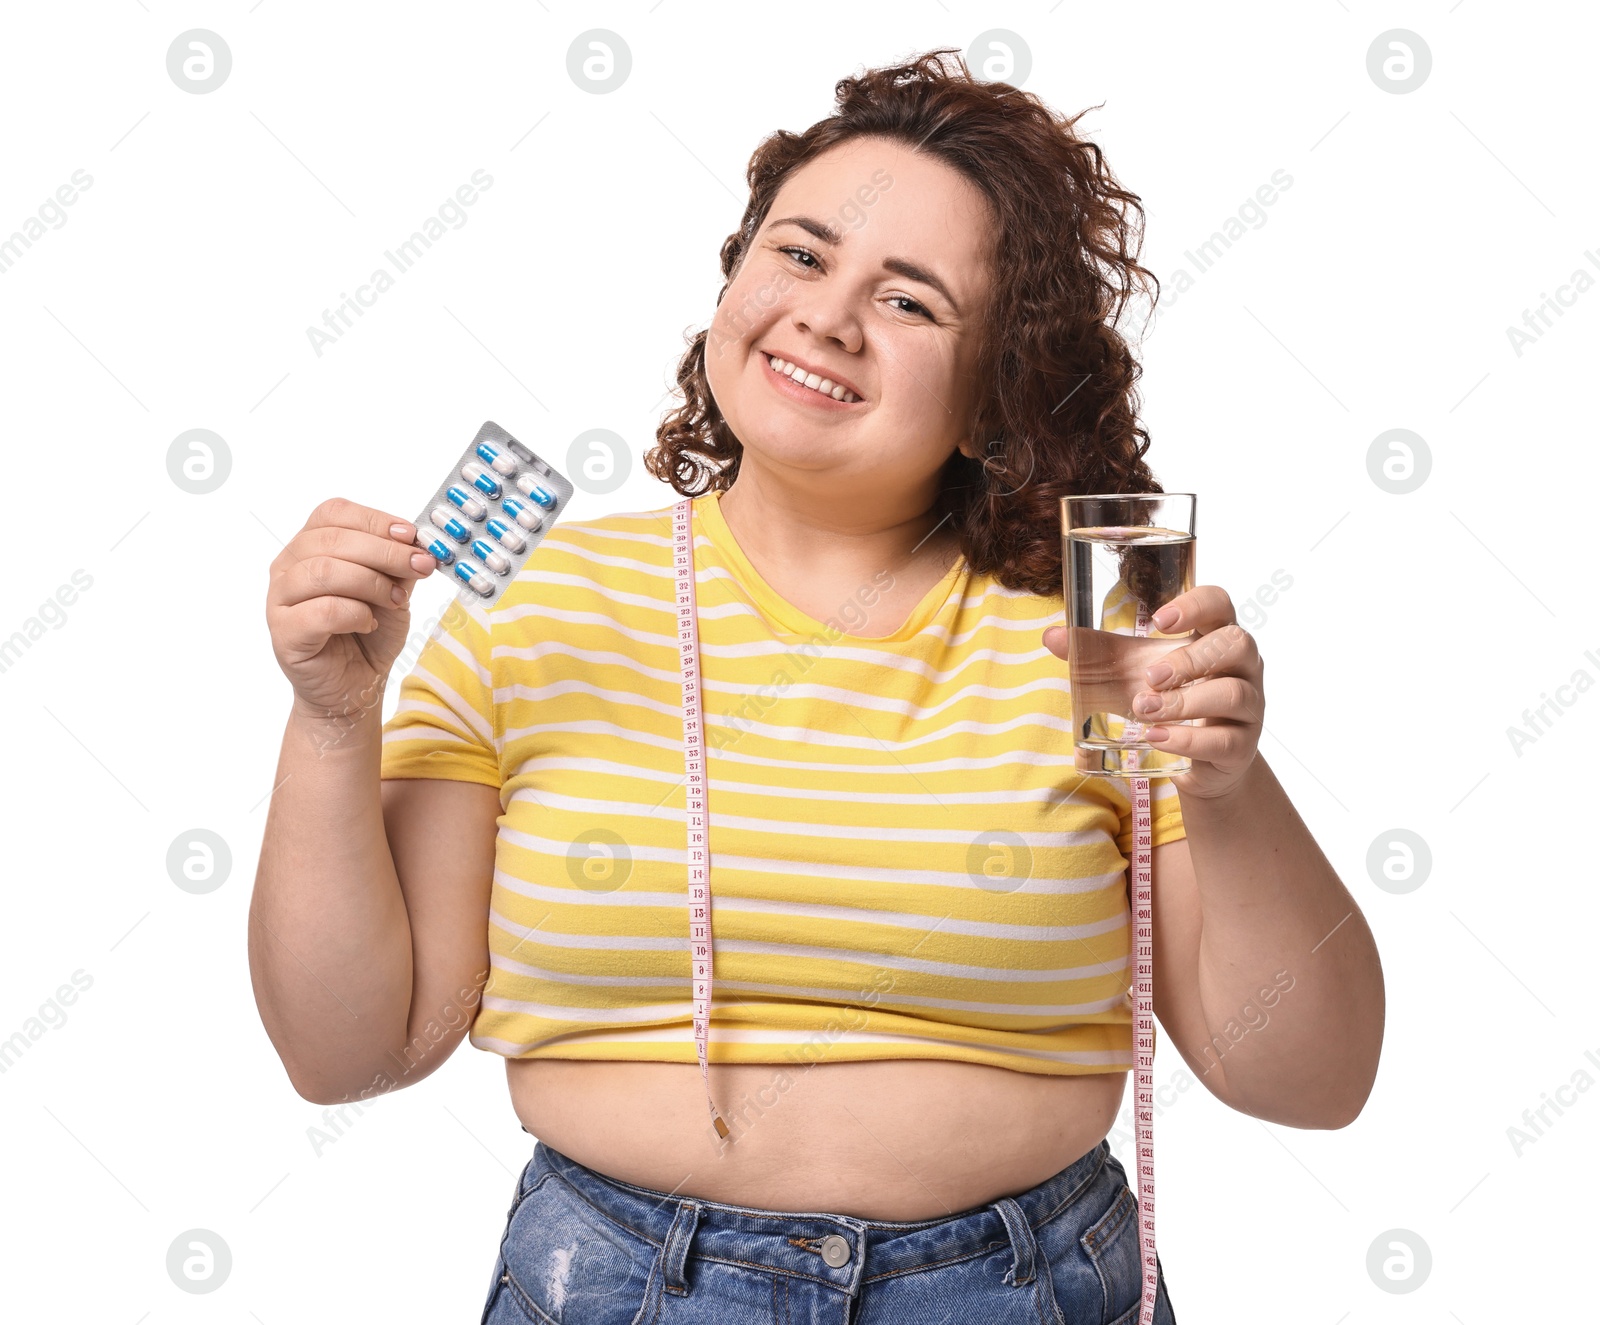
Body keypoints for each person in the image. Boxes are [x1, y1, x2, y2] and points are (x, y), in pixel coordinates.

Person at [251, 47, 1385, 1324]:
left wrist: (1225, 784)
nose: (828, 317)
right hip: (612, 1289)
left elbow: (1314, 1077)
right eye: (799, 255)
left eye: (908, 301)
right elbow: (351, 1050)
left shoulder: (1102, 628)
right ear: (733, 277)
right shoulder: (540, 601)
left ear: (990, 386)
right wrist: (334, 719)